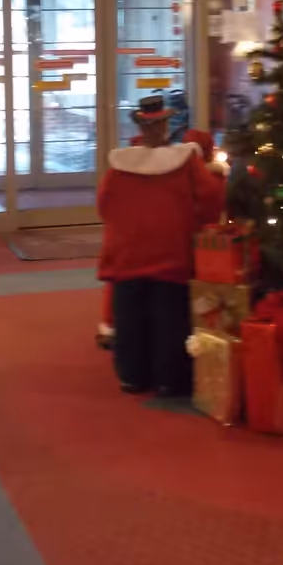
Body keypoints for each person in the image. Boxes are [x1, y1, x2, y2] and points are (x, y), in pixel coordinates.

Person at [98, 94, 225, 396]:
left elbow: (104, 204)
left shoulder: (120, 164)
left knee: (129, 317)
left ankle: (132, 376)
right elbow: (210, 200)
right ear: (165, 125)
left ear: (140, 127)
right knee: (170, 317)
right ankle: (169, 379)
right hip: (171, 249)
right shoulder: (186, 161)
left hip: (127, 252)